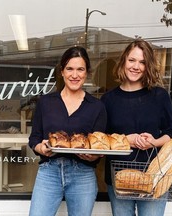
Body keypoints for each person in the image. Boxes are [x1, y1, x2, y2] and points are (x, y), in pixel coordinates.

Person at [100, 39, 172, 216]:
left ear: (148, 66)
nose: (136, 66)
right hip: (119, 178)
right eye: (132, 60)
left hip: (153, 178)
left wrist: (155, 142)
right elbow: (102, 139)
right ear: (124, 61)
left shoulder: (159, 96)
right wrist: (125, 140)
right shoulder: (108, 100)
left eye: (142, 62)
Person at [28, 46, 107, 216]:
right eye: (69, 69)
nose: (74, 75)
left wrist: (94, 155)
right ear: (62, 71)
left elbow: (99, 144)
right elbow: (34, 138)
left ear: (87, 73)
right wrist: (41, 148)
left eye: (80, 69)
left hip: (83, 174)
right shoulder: (46, 102)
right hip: (49, 172)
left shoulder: (97, 107)